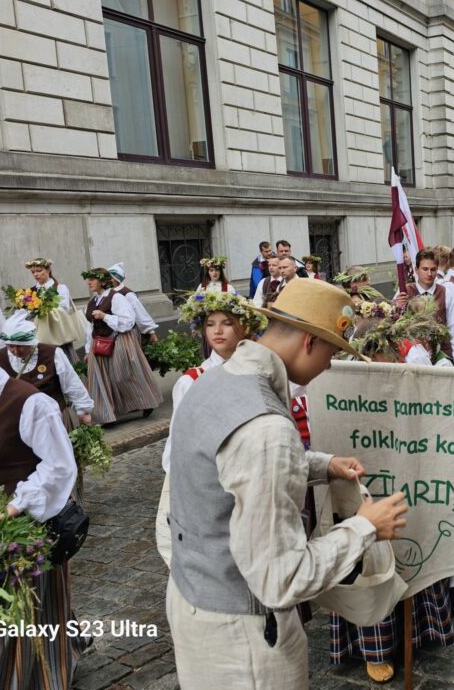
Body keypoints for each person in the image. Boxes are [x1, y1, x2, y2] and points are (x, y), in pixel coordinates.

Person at [166, 278, 407, 689]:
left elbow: (227, 469)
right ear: (310, 342)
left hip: (195, 599)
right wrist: (365, 527)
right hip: (245, 639)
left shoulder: (213, 381)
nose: (331, 364)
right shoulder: (267, 428)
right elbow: (282, 578)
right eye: (333, 349)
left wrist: (322, 465)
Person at [0, 287, 86, 686]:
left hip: (17, 532)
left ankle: (34, 675)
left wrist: (16, 507)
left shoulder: (29, 403)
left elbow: (59, 467)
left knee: (22, 615)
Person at [333, 303, 454, 682]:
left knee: (412, 557)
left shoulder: (411, 383)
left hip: (409, 491)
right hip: (365, 496)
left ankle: (419, 632)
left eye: (388, 357)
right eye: (375, 357)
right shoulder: (347, 389)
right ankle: (374, 648)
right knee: (371, 565)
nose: (381, 363)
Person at [156, 291, 268, 566]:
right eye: (210, 324)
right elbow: (179, 445)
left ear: (245, 326)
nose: (217, 331)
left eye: (227, 323)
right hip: (210, 482)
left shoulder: (262, 373)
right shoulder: (191, 381)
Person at [82, 267, 163, 425]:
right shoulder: (91, 303)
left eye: (93, 279)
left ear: (103, 281)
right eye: (88, 279)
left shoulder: (116, 297)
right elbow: (89, 328)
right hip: (99, 343)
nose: (89, 282)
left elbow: (128, 321)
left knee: (121, 376)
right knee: (99, 381)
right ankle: (106, 416)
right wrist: (87, 349)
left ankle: (145, 401)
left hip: (119, 338)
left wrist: (105, 316)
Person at [0, 310, 94, 430]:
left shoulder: (52, 353)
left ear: (30, 342)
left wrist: (83, 411)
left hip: (55, 418)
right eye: (11, 346)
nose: (15, 351)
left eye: (20, 346)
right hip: (21, 424)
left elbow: (71, 383)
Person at [395, 248, 454, 365]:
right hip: (413, 358)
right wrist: (397, 307)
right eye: (425, 269)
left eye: (433, 270)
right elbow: (393, 325)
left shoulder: (446, 292)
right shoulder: (404, 292)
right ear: (416, 270)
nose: (429, 274)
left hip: (442, 357)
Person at [24, 256, 83, 361]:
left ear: (48, 269)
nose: (36, 274)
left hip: (57, 333)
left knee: (62, 362)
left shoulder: (59, 288)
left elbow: (63, 309)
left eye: (39, 270)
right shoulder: (31, 291)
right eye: (33, 272)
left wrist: (42, 309)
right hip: (39, 335)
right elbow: (27, 313)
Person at [107, 262, 160, 345]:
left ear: (117, 279)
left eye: (110, 277)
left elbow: (140, 312)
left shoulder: (127, 294)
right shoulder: (106, 293)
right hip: (109, 334)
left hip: (126, 335)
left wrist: (151, 331)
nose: (107, 280)